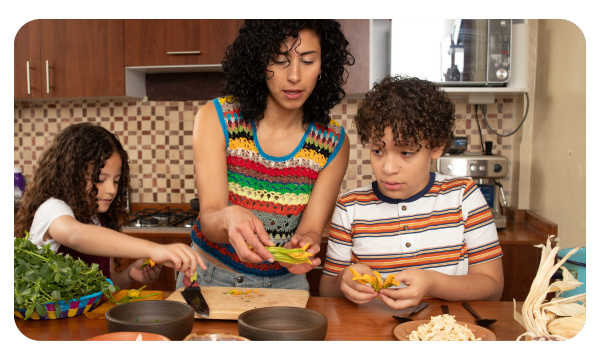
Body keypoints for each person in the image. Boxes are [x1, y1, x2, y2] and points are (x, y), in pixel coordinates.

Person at [178, 19, 353, 291]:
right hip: (208, 279)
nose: (295, 75)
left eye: (307, 61)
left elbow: (310, 230)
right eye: (280, 60)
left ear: (323, 66)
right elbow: (210, 219)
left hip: (286, 284)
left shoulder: (333, 142)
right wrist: (227, 217)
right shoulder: (216, 118)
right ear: (259, 62)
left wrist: (302, 247)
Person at [319, 75, 504, 309]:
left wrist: (432, 283)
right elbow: (327, 287)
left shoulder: (464, 196)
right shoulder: (350, 207)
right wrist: (343, 283)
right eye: (378, 151)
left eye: (406, 153)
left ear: (436, 147)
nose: (387, 168)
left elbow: (493, 287)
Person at [14, 123, 206, 290]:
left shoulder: (98, 218)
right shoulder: (52, 209)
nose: (111, 190)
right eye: (99, 179)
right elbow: (76, 235)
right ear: (70, 176)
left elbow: (108, 286)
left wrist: (129, 274)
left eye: (116, 180)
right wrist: (154, 249)